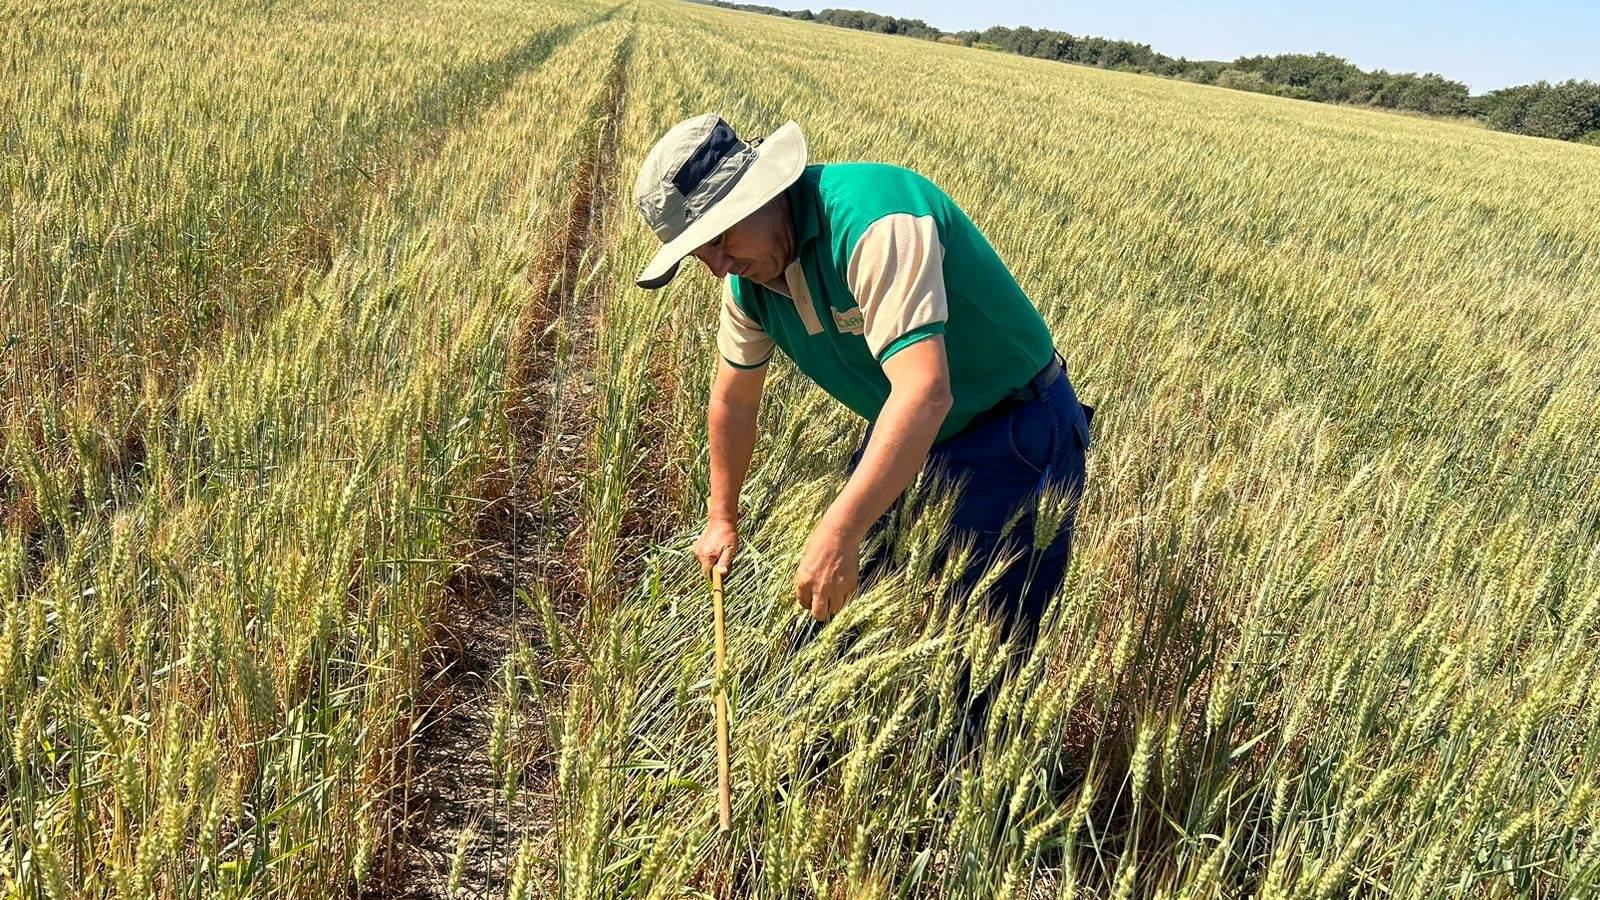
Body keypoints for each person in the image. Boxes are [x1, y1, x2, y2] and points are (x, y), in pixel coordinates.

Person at [632, 113, 1092, 654]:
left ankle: (958, 737)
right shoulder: (748, 286)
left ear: (760, 192)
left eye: (719, 237)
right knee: (831, 616)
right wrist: (721, 518)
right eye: (698, 253)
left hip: (1014, 430)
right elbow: (732, 403)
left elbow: (924, 391)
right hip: (904, 428)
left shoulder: (874, 219)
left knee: (980, 648)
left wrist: (839, 532)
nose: (717, 266)